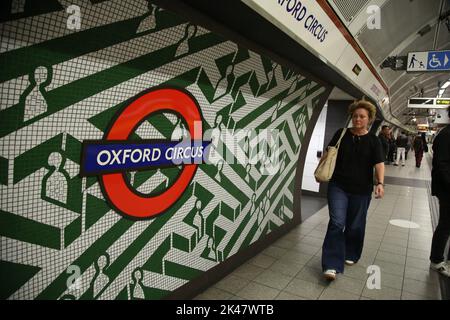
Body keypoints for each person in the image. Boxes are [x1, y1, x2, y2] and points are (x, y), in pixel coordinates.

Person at [318, 100, 385, 281]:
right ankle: (331, 264)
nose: (357, 119)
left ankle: (351, 252)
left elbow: (379, 163)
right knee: (337, 222)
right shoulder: (342, 134)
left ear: (369, 119)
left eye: (362, 116)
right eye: (355, 116)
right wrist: (320, 168)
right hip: (338, 186)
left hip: (362, 190)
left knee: (356, 224)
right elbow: (329, 152)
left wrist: (380, 183)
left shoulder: (374, 140)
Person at [430, 106, 450, 277]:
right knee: (445, 224)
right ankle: (436, 259)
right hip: (447, 190)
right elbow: (441, 165)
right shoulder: (445, 136)